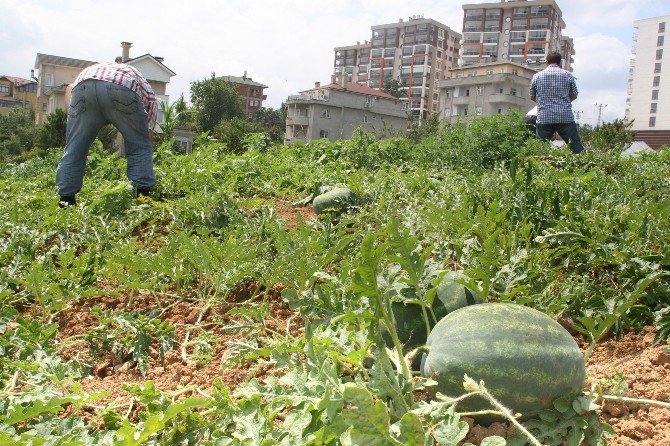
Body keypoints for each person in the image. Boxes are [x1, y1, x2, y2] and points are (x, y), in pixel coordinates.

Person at [56, 61, 157, 207]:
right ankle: (143, 198)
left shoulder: (97, 69)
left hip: (82, 86)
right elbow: (151, 102)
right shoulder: (134, 75)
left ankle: (66, 200)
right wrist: (147, 138)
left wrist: (74, 126)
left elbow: (70, 88)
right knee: (139, 145)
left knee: (74, 148)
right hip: (121, 86)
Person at [529, 52, 584, 153]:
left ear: (546, 62)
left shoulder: (537, 76)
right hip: (565, 117)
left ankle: (539, 167)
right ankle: (584, 167)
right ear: (560, 63)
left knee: (540, 150)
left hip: (544, 117)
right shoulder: (568, 75)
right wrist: (565, 102)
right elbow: (574, 94)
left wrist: (543, 103)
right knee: (576, 148)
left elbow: (532, 96)